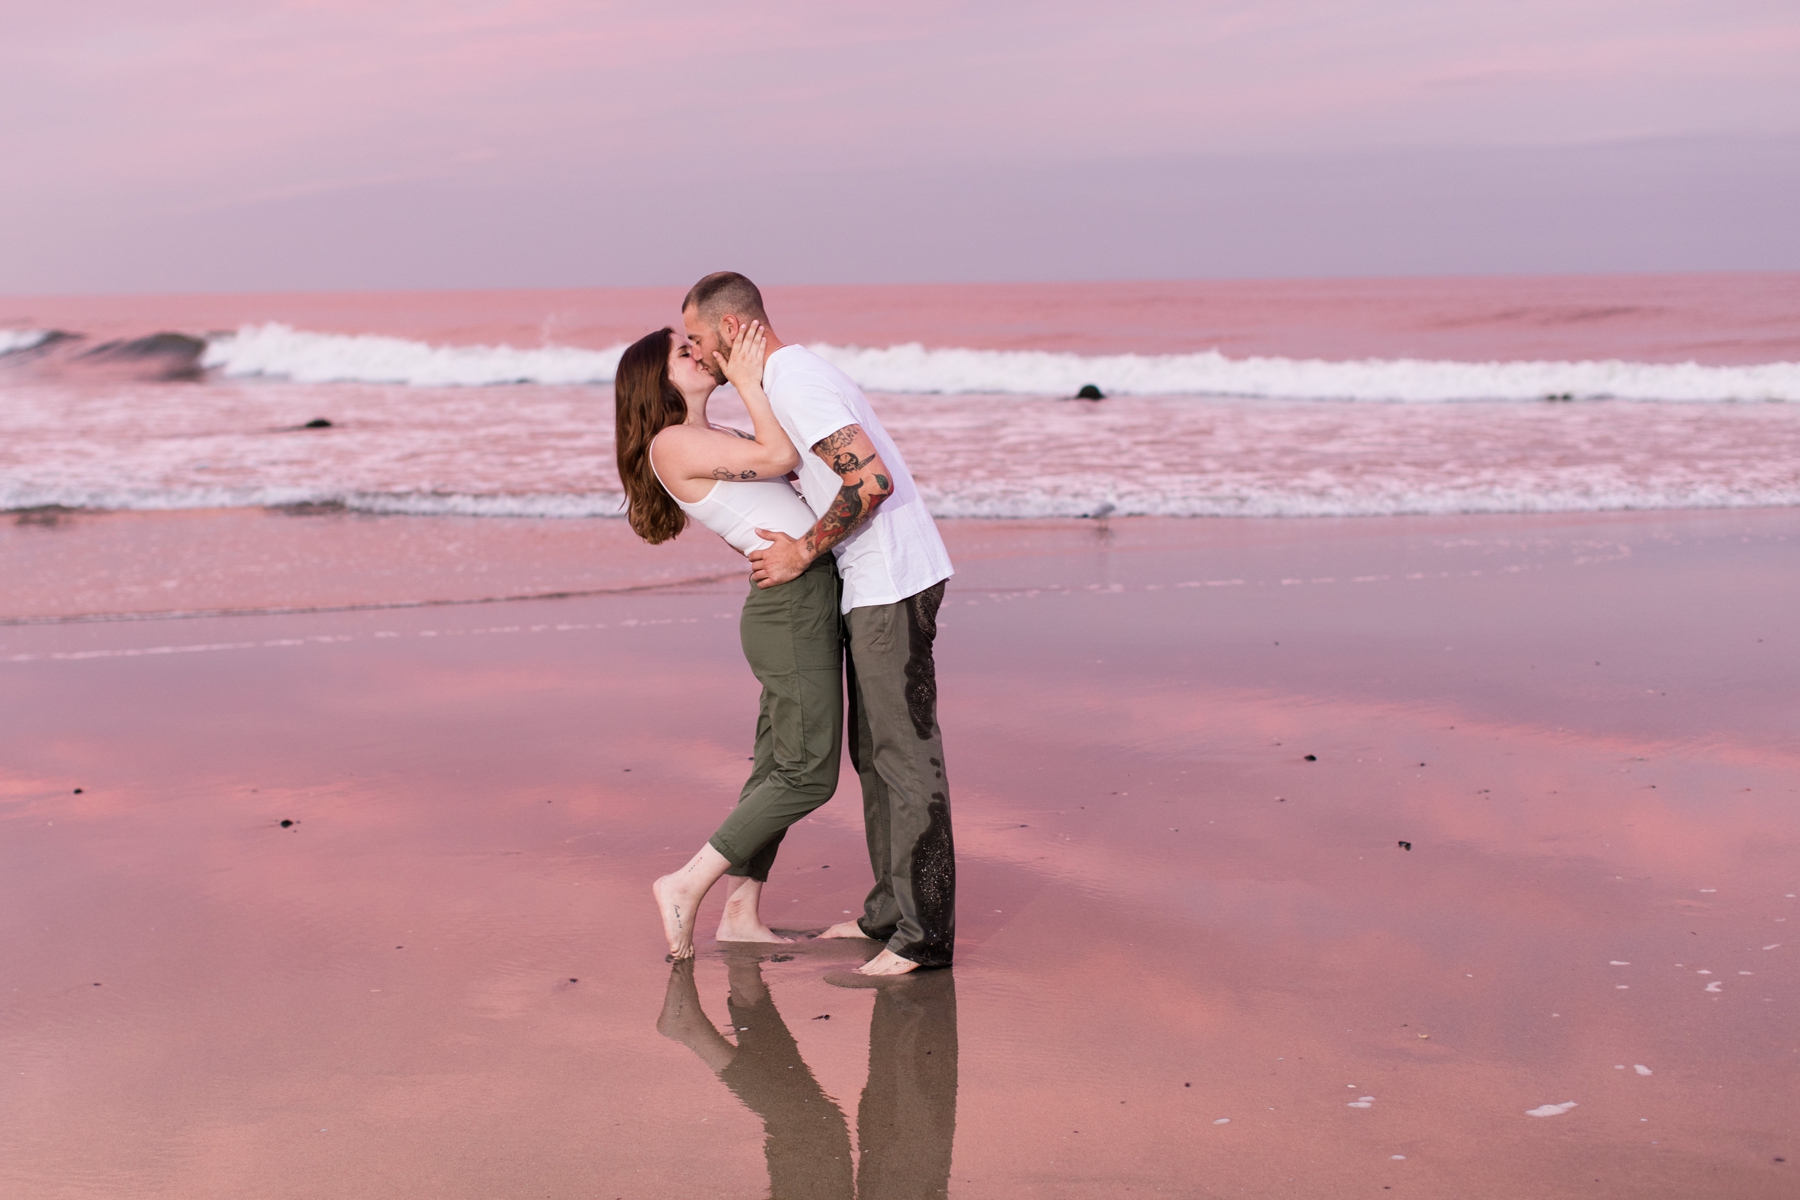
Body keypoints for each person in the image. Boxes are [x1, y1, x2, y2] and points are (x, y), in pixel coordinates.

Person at [682, 272, 957, 976]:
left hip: (892, 579)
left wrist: (805, 549)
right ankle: (889, 914)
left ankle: (923, 938)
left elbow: (869, 481)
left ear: (733, 328)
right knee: (876, 758)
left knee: (903, 760)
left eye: (698, 339)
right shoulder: (781, 383)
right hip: (871, 581)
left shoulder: (794, 380)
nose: (696, 352)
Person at [614, 320, 844, 960]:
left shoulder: (703, 437)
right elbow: (783, 457)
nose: (697, 353)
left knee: (777, 766)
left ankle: (740, 912)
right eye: (682, 353)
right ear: (653, 382)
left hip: (794, 599)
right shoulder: (673, 444)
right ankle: (686, 884)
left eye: (692, 343)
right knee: (807, 776)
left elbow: (786, 451)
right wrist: (747, 378)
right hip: (791, 608)